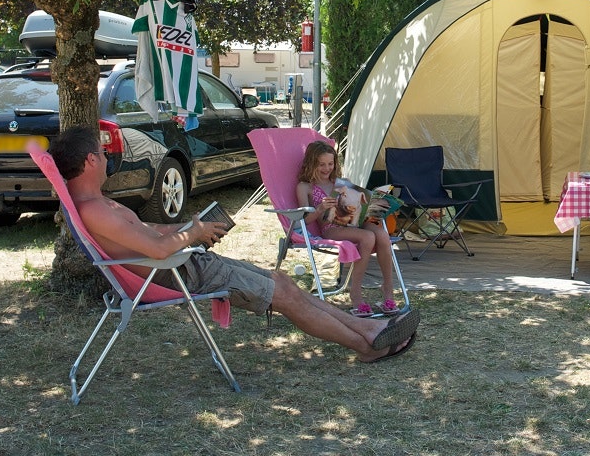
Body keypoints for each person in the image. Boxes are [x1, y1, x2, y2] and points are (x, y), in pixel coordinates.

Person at [48, 127, 418, 362]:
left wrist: (191, 226)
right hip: (180, 273)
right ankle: (367, 343)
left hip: (186, 264)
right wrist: (192, 233)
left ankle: (362, 326)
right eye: (102, 152)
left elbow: (150, 231)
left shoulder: (101, 205)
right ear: (91, 159)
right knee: (284, 296)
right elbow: (158, 250)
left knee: (283, 282)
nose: (108, 157)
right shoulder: (96, 209)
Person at [296, 140, 399, 316]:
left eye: (330, 163)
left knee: (381, 234)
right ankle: (356, 293)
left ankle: (388, 289)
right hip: (332, 226)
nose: (326, 168)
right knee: (367, 237)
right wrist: (320, 208)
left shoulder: (343, 182)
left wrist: (371, 203)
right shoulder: (305, 187)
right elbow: (303, 220)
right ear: (311, 164)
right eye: (321, 164)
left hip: (355, 221)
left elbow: (358, 204)